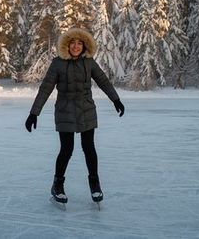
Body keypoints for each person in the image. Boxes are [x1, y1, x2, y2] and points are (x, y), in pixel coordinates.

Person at [25, 27, 125, 206]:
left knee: (89, 148)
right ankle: (57, 185)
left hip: (86, 110)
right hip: (65, 110)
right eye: (73, 43)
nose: (77, 46)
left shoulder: (89, 62)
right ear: (67, 45)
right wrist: (34, 113)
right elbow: (45, 88)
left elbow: (103, 81)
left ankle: (95, 184)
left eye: (80, 43)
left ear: (84, 45)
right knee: (67, 149)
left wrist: (115, 100)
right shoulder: (58, 63)